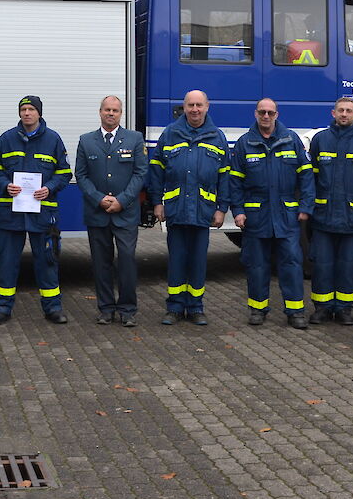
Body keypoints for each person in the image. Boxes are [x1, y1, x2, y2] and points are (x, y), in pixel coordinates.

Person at [0, 95, 72, 325]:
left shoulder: (53, 140)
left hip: (43, 213)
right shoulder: (6, 139)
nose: (26, 113)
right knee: (7, 262)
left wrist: (49, 188)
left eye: (31, 109)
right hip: (11, 214)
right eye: (23, 109)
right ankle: (2, 309)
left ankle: (53, 309)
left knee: (47, 261)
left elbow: (64, 173)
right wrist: (5, 185)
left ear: (39, 113)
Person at [148, 89, 230, 326]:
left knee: (198, 261)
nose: (195, 109)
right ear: (184, 108)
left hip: (203, 211)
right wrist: (157, 202)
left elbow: (225, 176)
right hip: (176, 210)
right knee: (176, 260)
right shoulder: (170, 133)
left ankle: (195, 307)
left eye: (199, 105)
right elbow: (156, 170)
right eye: (190, 105)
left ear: (207, 107)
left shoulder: (217, 136)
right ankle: (174, 307)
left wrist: (221, 208)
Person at [229, 98, 313, 329]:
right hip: (256, 215)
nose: (266, 116)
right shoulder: (245, 143)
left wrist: (306, 206)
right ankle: (257, 309)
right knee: (257, 265)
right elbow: (235, 183)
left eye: (270, 113)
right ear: (255, 114)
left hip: (286, 215)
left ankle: (295, 312)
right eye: (262, 112)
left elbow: (306, 176)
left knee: (292, 264)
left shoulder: (291, 140)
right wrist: (238, 211)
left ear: (277, 114)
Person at [75, 95, 148, 327]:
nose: (111, 113)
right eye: (107, 109)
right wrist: (99, 199)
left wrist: (122, 200)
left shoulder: (135, 139)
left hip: (125, 214)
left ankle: (128, 309)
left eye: (115, 110)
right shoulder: (86, 141)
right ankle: (106, 309)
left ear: (121, 113)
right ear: (100, 112)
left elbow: (140, 173)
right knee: (100, 264)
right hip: (97, 213)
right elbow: (81, 175)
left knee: (126, 261)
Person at [307, 97, 353, 326]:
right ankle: (322, 308)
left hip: (352, 218)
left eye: (349, 111)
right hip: (324, 218)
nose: (344, 114)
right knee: (322, 266)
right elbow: (314, 176)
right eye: (341, 110)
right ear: (333, 113)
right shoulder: (320, 140)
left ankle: (345, 309)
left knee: (349, 266)